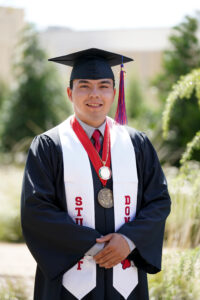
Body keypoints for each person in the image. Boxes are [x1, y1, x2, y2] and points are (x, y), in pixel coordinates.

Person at [21, 48, 171, 300]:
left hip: (126, 279)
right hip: (67, 284)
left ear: (114, 92)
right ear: (70, 93)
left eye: (103, 86)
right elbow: (36, 209)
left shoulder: (137, 143)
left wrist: (129, 241)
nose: (94, 94)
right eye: (84, 86)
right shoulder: (49, 145)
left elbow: (158, 200)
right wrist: (94, 245)